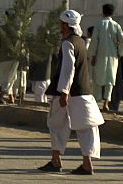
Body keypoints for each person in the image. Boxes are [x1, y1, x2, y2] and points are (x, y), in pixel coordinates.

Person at [38, 9, 104, 175]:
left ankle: (57, 161)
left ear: (66, 25)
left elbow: (68, 69)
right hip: (83, 91)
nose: (60, 27)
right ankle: (85, 163)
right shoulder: (81, 41)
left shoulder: (68, 43)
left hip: (67, 93)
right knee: (86, 128)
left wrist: (64, 92)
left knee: (57, 125)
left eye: (61, 24)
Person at [87, 4, 123, 111]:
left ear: (103, 11)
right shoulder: (116, 25)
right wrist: (120, 53)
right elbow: (122, 41)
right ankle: (106, 102)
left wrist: (92, 55)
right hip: (113, 56)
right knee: (110, 79)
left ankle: (96, 102)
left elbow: (94, 41)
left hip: (100, 55)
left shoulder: (98, 24)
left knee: (97, 78)